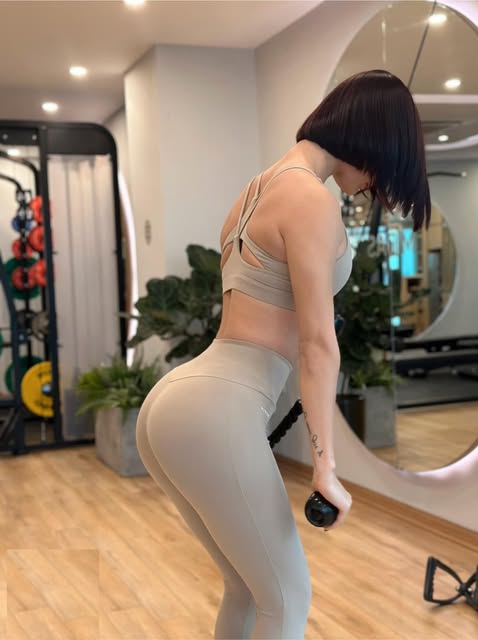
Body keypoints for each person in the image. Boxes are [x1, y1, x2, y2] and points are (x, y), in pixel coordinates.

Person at [136, 69, 431, 640]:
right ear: (372, 138)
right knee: (287, 598)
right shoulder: (310, 199)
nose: (373, 185)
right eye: (383, 167)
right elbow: (318, 344)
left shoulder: (258, 187)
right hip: (218, 407)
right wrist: (326, 468)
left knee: (249, 590)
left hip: (177, 401)